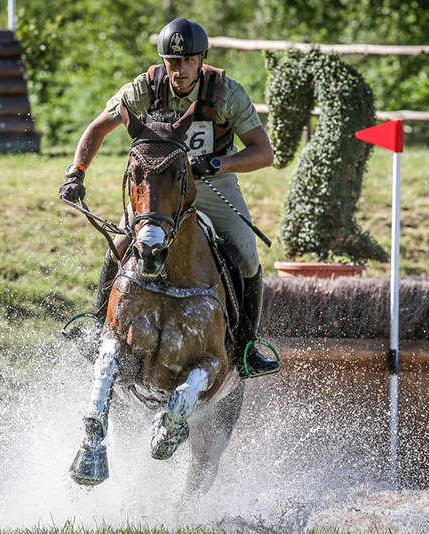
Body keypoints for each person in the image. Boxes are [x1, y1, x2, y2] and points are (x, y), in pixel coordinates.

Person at [59, 17, 279, 378]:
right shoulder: (145, 87)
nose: (180, 70)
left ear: (202, 58)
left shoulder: (227, 92)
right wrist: (76, 173)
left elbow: (263, 153)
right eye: (172, 61)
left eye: (188, 60)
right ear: (164, 61)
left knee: (248, 255)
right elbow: (98, 128)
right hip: (160, 188)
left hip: (212, 182)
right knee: (118, 243)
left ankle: (246, 346)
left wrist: (217, 161)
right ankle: (98, 326)